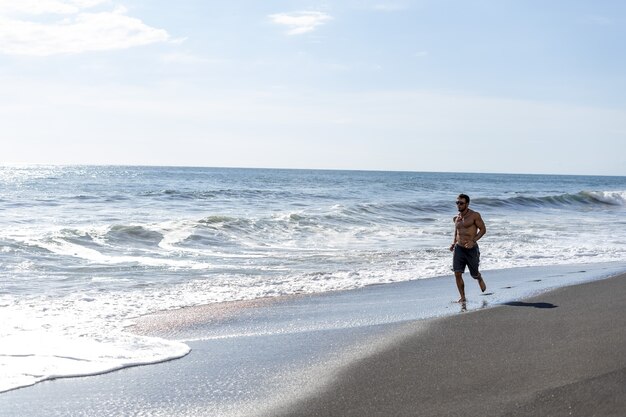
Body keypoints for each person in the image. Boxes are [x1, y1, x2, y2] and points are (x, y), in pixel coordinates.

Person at [449, 193, 487, 303]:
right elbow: (457, 232)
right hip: (459, 248)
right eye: (457, 203)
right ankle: (463, 297)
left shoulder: (475, 215)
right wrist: (453, 243)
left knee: (474, 274)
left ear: (467, 204)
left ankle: (479, 278)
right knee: (457, 273)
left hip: (471, 249)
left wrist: (473, 241)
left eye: (461, 203)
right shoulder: (456, 218)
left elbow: (483, 230)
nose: (459, 205)